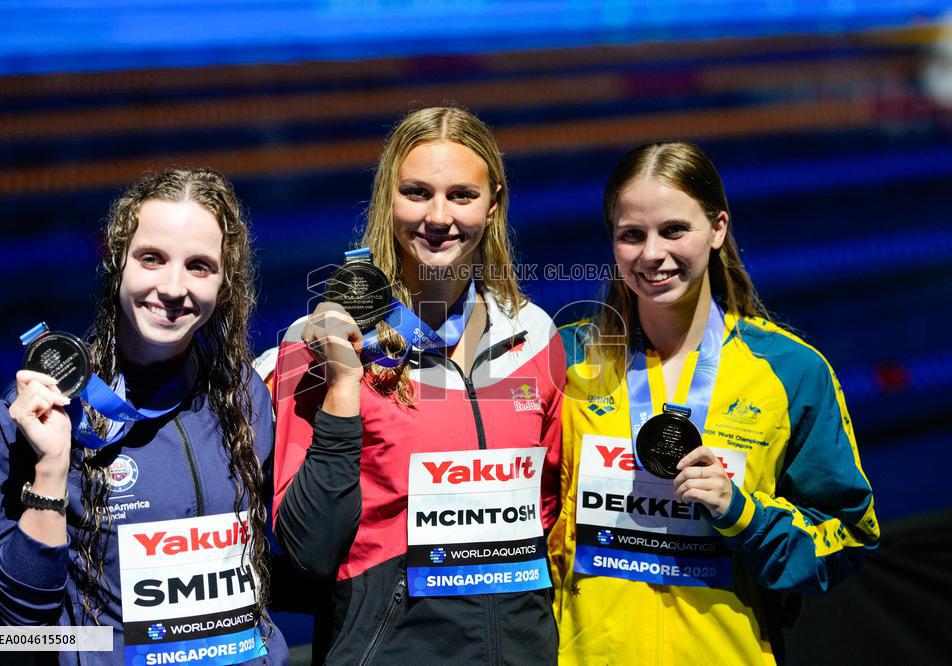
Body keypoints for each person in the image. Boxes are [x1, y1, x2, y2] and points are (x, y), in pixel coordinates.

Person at [547, 142, 880, 664]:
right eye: (632, 235)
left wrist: (744, 516)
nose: (652, 253)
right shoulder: (563, 359)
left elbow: (851, 535)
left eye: (674, 230)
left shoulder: (790, 371)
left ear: (718, 228)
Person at [256, 107, 565, 664]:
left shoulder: (535, 336)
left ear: (494, 204)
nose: (439, 216)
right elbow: (309, 552)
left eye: (462, 195)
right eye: (417, 193)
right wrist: (343, 386)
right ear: (387, 199)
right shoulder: (320, 345)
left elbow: (546, 513)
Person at [0, 169, 289, 665]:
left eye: (200, 266)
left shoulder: (242, 394)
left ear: (225, 283)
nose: (173, 287)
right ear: (116, 260)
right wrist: (51, 470)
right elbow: (16, 621)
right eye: (152, 258)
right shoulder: (39, 411)